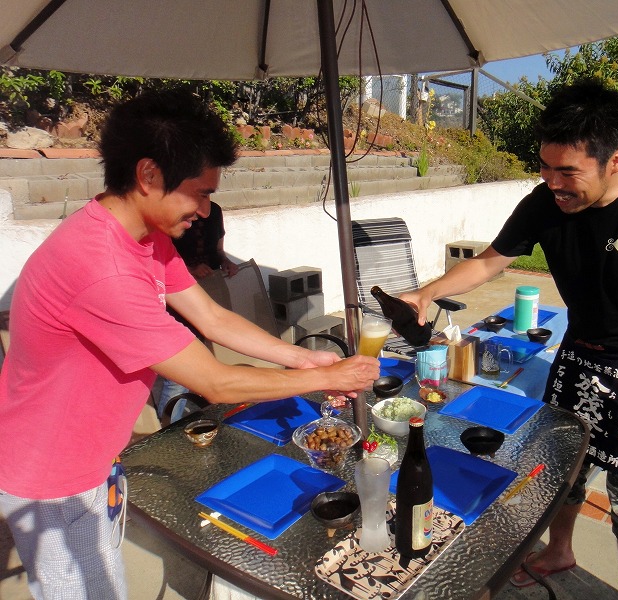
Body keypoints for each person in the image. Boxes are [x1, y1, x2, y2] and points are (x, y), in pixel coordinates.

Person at [0, 89, 379, 600]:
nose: (205, 210)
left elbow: (211, 317)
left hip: (96, 455)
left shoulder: (144, 237)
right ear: (149, 175)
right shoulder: (101, 267)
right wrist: (329, 377)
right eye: (199, 193)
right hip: (55, 476)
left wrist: (304, 357)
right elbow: (213, 382)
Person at [401, 79, 618, 600]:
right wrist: (427, 292)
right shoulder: (544, 202)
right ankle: (560, 549)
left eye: (568, 172)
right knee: (561, 466)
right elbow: (489, 262)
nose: (553, 183)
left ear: (616, 159)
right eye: (545, 167)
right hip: (579, 352)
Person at [156, 199, 237, 421]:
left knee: (214, 359)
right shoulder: (172, 213)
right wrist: (190, 269)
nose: (198, 214)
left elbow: (218, 251)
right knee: (180, 372)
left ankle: (217, 417)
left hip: (211, 291)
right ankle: (170, 428)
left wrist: (226, 262)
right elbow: (161, 261)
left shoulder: (216, 211)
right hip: (180, 300)